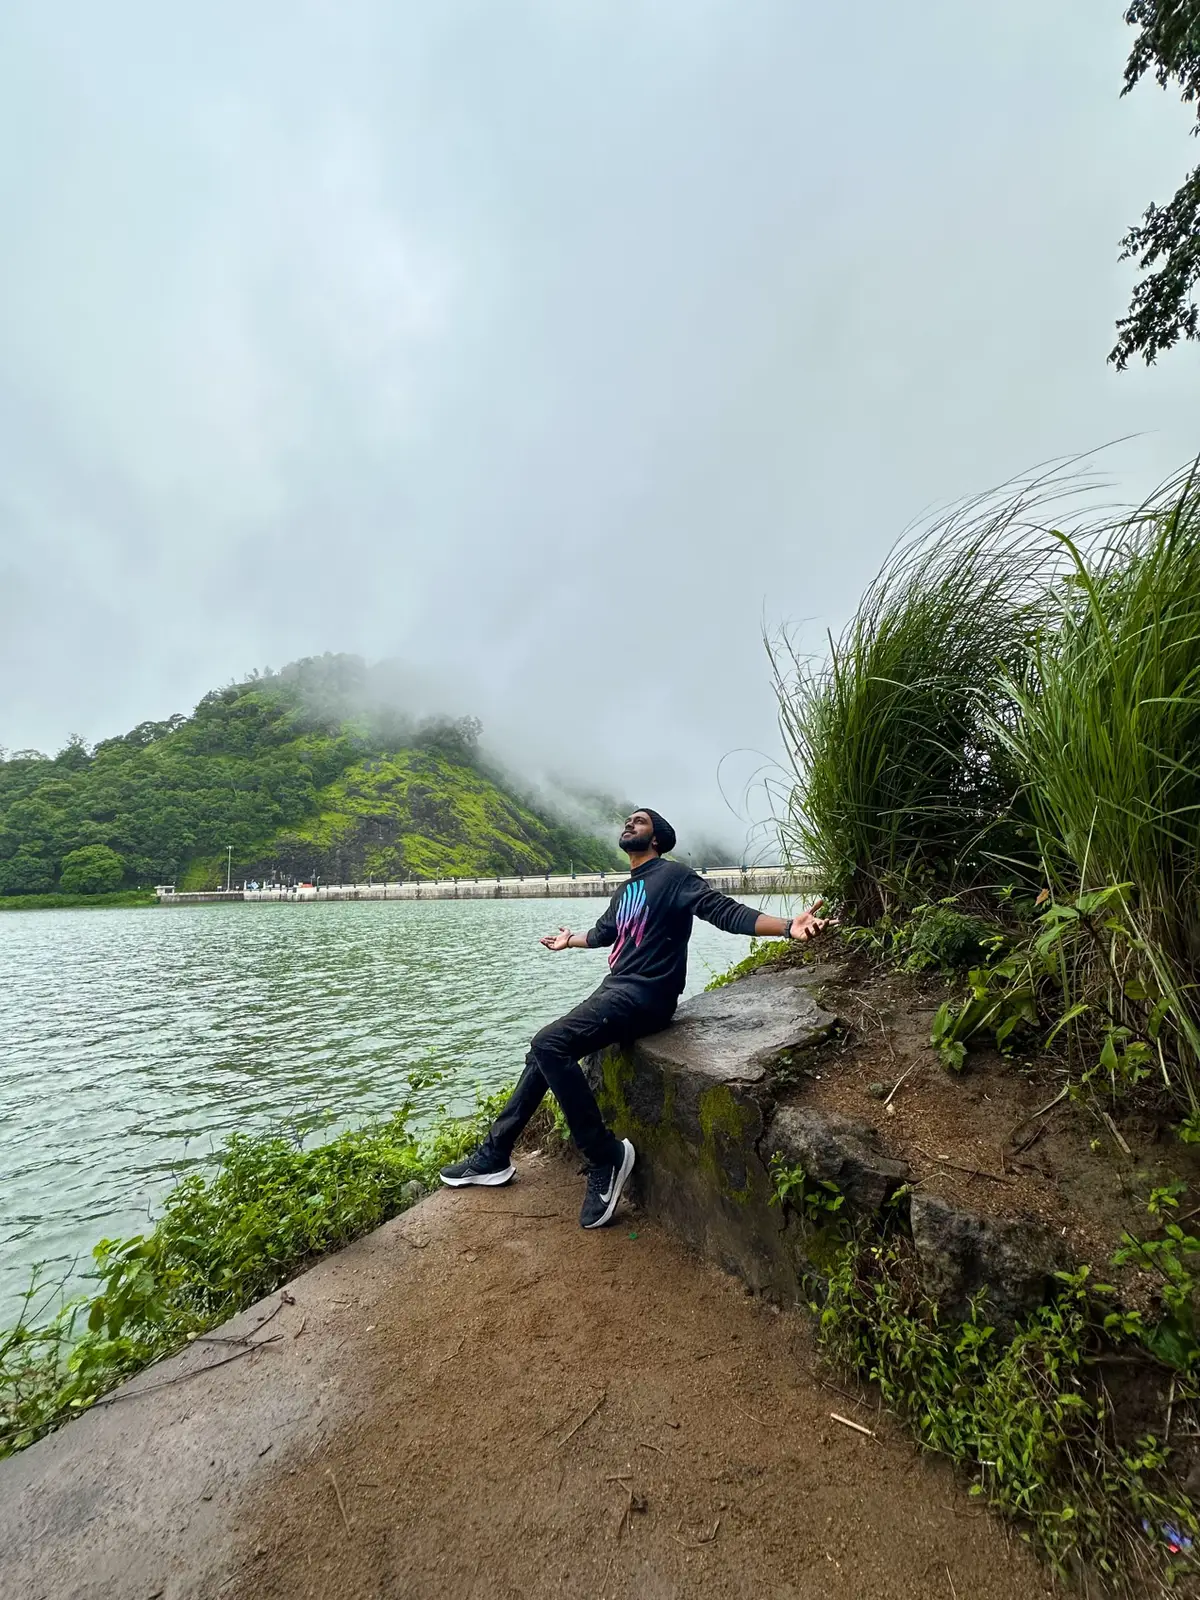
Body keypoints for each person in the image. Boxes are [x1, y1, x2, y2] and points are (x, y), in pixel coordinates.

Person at [439, 808, 827, 1229]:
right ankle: (495, 1154)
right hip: (615, 990)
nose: (629, 824)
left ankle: (607, 1155)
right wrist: (570, 941)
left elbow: (725, 912)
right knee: (543, 1054)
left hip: (647, 997)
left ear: (656, 837)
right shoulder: (625, 891)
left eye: (639, 821)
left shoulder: (674, 876)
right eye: (626, 820)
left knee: (549, 1043)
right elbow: (606, 933)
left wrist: (788, 926)